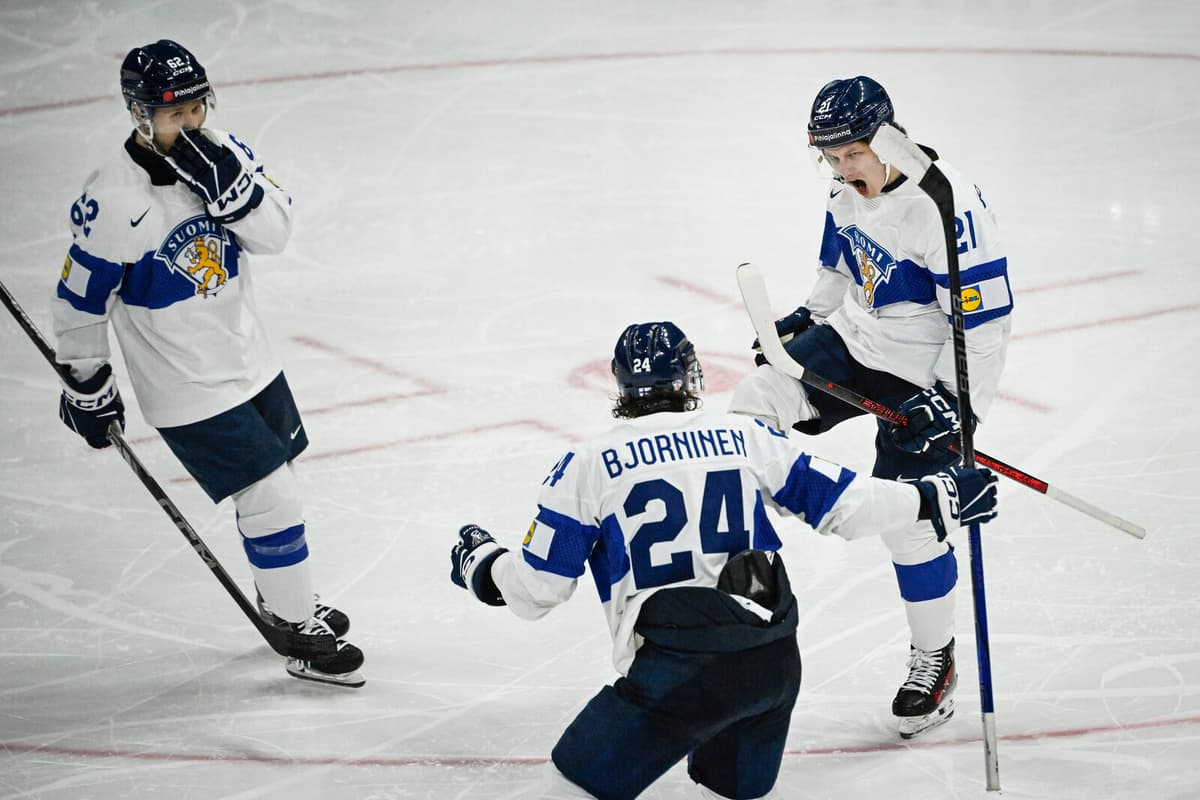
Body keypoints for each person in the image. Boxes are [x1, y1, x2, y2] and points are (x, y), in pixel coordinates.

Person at [450, 321, 999, 799]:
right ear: (692, 378)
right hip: (772, 669)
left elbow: (537, 588)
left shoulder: (589, 465)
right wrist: (939, 495)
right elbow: (848, 505)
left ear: (620, 385)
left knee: (567, 788)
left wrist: (483, 564)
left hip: (678, 673)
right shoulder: (743, 437)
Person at [50, 39, 363, 687]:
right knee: (270, 492)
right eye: (174, 114)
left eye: (196, 107)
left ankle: (284, 600)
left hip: (250, 359)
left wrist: (237, 194)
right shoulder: (113, 197)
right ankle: (297, 624)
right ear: (141, 115)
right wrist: (86, 380)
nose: (190, 123)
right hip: (185, 384)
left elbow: (275, 236)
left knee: (278, 491)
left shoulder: (226, 151)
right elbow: (80, 299)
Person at [730, 75, 1013, 737]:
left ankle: (933, 661)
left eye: (850, 153)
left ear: (887, 138)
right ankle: (747, 561)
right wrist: (809, 315)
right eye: (827, 156)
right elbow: (840, 259)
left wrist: (950, 406)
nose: (839, 169)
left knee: (908, 518)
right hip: (860, 340)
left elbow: (986, 325)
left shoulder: (946, 206)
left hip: (932, 373)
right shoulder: (844, 187)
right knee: (755, 399)